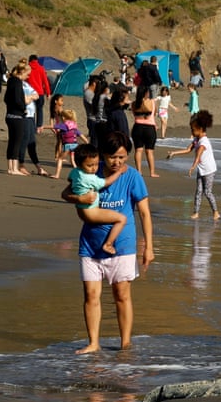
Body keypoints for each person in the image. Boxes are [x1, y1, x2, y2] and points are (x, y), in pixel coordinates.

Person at [60, 132, 154, 354]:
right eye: (112, 157)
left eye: (122, 157)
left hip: (122, 245)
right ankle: (93, 343)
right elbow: (65, 192)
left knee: (121, 295)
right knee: (91, 295)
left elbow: (144, 213)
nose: (117, 162)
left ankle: (125, 344)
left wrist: (149, 247)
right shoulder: (90, 168)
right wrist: (79, 198)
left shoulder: (132, 176)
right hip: (90, 244)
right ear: (103, 154)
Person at [67, 144, 129, 255]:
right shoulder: (89, 178)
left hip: (81, 211)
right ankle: (108, 244)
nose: (94, 168)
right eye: (90, 165)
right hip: (91, 212)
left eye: (96, 164)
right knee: (122, 219)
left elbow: (70, 179)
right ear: (79, 164)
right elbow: (107, 182)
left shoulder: (75, 171)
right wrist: (119, 172)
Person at [167, 110, 220, 220]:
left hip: (209, 170)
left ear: (200, 129)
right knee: (198, 191)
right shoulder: (196, 139)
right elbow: (188, 150)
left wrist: (192, 167)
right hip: (201, 170)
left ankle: (216, 212)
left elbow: (198, 156)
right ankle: (196, 212)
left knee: (207, 192)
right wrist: (174, 153)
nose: (191, 132)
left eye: (193, 129)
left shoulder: (204, 142)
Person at [4, 63, 39, 175]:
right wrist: (24, 108)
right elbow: (17, 100)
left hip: (9, 115)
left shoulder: (10, 81)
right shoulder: (17, 82)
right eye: (27, 74)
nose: (28, 77)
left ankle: (10, 168)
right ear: (22, 72)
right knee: (17, 142)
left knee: (11, 142)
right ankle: (14, 169)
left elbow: (6, 99)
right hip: (17, 116)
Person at [130, 85, 159, 178]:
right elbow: (154, 113)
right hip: (149, 128)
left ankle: (139, 171)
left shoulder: (134, 104)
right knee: (149, 151)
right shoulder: (152, 102)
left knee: (138, 150)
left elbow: (134, 114)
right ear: (146, 93)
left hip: (138, 127)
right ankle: (152, 172)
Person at [51, 108, 81, 179]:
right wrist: (87, 142)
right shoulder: (73, 125)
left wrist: (43, 127)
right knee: (73, 161)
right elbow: (80, 135)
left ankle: (57, 175)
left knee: (60, 159)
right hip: (75, 145)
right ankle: (79, 175)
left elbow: (53, 126)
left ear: (63, 117)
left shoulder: (64, 125)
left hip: (67, 145)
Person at [27, 55, 52, 128]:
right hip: (40, 92)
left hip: (30, 93)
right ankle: (39, 126)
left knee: (31, 110)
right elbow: (45, 81)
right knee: (40, 110)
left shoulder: (27, 68)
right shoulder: (41, 68)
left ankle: (32, 126)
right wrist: (48, 93)